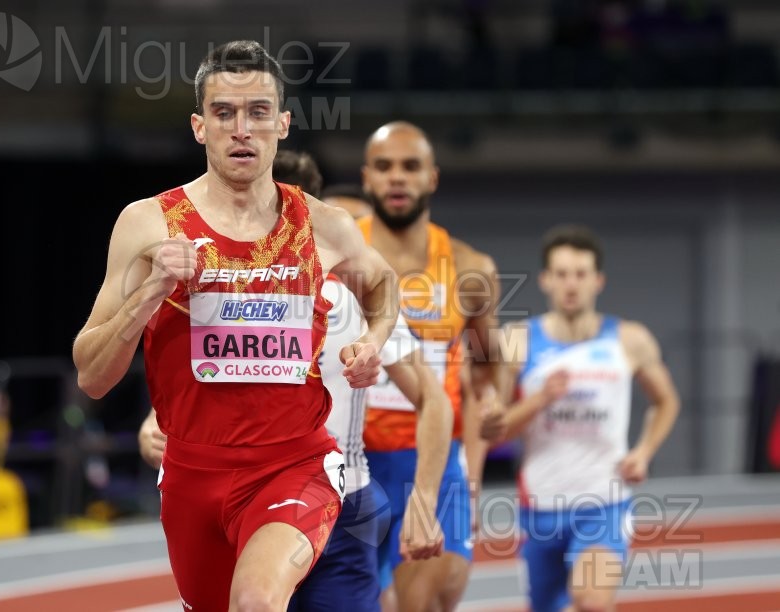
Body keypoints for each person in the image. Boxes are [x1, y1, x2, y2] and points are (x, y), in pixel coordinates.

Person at [73, 40, 401, 612]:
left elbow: (384, 286)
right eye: (224, 113)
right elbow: (92, 376)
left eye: (257, 113)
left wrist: (372, 341)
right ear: (200, 127)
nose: (241, 129)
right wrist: (152, 290)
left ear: (282, 123)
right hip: (192, 473)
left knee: (256, 600)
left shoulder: (325, 226)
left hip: (296, 465)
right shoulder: (147, 223)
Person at [140, 149, 453, 611]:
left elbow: (433, 398)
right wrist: (154, 423)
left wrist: (425, 502)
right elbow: (191, 384)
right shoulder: (208, 292)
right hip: (235, 495)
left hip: (337, 504)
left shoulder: (350, 297)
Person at [481, 225, 681, 612]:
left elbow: (666, 401)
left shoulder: (629, 338)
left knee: (591, 601)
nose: (571, 284)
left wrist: (643, 451)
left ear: (597, 280)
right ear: (545, 280)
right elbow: (495, 430)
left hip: (604, 501)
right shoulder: (517, 339)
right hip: (541, 504)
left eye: (580, 274)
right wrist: (540, 399)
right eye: (561, 274)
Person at [359, 121, 501, 611]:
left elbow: (488, 368)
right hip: (347, 463)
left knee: (423, 605)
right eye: (384, 166)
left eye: (410, 166)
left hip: (432, 464)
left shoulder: (470, 268)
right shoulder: (335, 255)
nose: (397, 178)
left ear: (432, 178)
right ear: (366, 178)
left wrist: (475, 464)